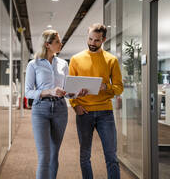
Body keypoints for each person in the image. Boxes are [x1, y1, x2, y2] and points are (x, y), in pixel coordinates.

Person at [69, 23, 123, 179]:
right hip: (84, 112)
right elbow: (70, 88)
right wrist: (75, 106)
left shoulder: (111, 60)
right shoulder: (76, 59)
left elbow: (119, 88)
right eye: (90, 39)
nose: (92, 43)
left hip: (105, 112)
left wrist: (105, 86)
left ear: (103, 39)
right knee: (85, 156)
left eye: (97, 40)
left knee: (111, 156)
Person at [25, 29, 68, 179]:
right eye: (57, 42)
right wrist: (49, 91)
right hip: (40, 109)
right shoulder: (33, 64)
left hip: (60, 109)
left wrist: (74, 92)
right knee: (44, 155)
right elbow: (28, 92)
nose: (60, 44)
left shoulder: (63, 64)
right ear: (47, 44)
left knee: (54, 154)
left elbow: (66, 89)